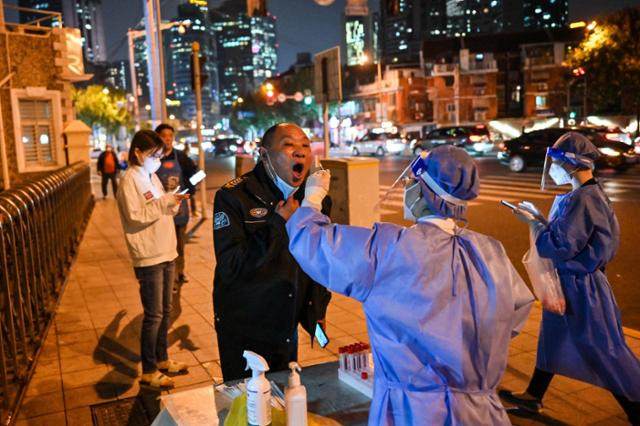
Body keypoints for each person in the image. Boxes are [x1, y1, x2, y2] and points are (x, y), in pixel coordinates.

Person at [285, 145, 535, 425]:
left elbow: (313, 244)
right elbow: (513, 316)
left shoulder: (387, 249)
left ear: (423, 191)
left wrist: (313, 198)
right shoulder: (491, 252)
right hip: (481, 411)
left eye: (411, 183)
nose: (407, 188)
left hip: (411, 411)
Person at [500, 132, 640, 424]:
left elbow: (560, 246)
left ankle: (636, 409)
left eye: (554, 162)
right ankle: (534, 395)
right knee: (552, 338)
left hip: (580, 287)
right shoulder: (591, 194)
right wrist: (542, 222)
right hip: (574, 284)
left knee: (602, 348)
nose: (551, 167)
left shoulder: (582, 200)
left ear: (571, 164)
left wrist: (535, 227)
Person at [213, 123, 332, 381]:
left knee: (283, 397)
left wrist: (317, 309)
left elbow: (317, 260)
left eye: (305, 145)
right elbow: (231, 266)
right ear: (264, 154)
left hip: (285, 321)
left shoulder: (314, 198)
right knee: (248, 403)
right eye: (289, 144)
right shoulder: (234, 197)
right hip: (245, 325)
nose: (300, 152)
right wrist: (277, 224)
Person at [116, 130, 190, 389]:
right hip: (148, 255)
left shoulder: (151, 176)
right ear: (137, 152)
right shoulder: (129, 180)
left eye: (160, 155)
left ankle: (162, 359)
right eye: (153, 154)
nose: (157, 159)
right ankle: (148, 370)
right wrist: (164, 203)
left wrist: (174, 202)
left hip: (167, 250)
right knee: (154, 315)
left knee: (166, 310)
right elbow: (136, 215)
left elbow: (161, 207)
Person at [155, 124, 199, 288]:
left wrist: (189, 190)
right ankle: (168, 277)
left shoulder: (181, 157)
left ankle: (179, 273)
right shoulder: (154, 159)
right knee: (164, 247)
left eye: (170, 136)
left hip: (180, 212)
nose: (167, 139)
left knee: (179, 245)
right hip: (161, 212)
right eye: (164, 136)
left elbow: (198, 174)